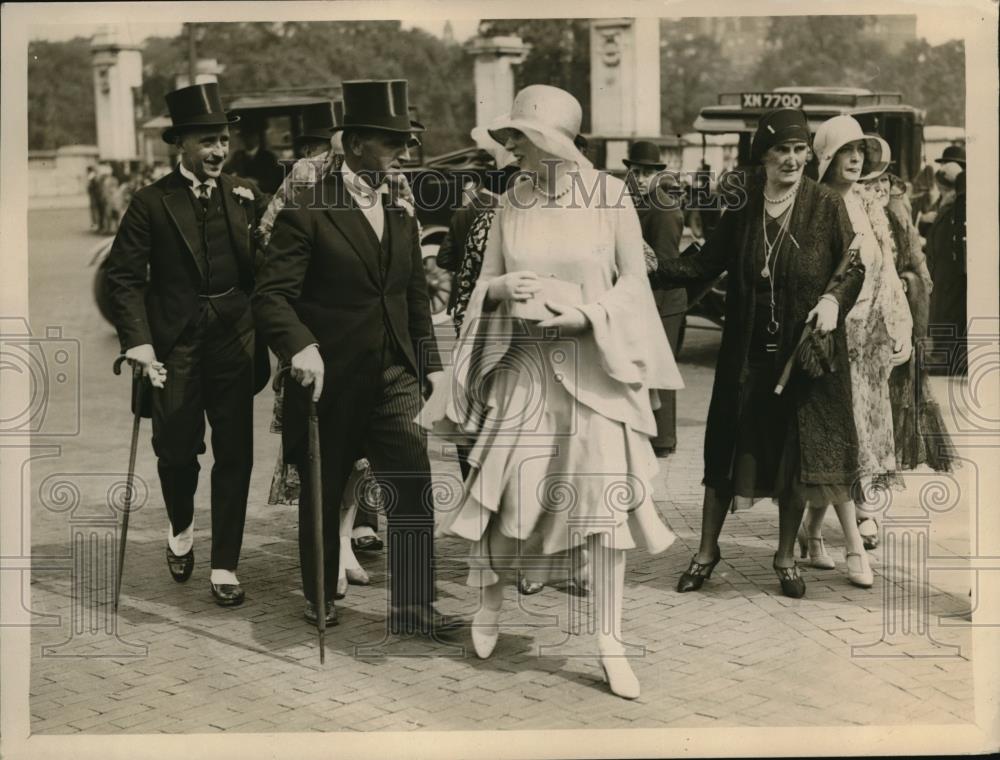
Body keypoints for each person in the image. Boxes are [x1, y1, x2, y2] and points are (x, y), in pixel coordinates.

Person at [425, 85, 683, 700]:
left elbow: (634, 285)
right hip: (523, 370)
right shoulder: (511, 200)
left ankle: (609, 639)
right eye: (508, 137)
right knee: (504, 492)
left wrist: (587, 317)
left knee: (603, 512)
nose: (508, 147)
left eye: (518, 136)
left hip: (596, 372)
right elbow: (483, 282)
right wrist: (501, 288)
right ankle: (488, 604)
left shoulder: (610, 195)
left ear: (550, 140)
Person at [253, 79, 461, 635]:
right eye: (395, 142)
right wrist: (299, 345)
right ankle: (320, 596)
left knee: (412, 483)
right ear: (359, 143)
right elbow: (271, 296)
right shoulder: (308, 208)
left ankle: (414, 606)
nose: (405, 153)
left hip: (394, 373)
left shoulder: (399, 207)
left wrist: (434, 369)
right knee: (324, 492)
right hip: (330, 376)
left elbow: (413, 296)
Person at [657, 108, 865, 600]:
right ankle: (706, 552)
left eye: (798, 150)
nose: (791, 160)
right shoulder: (746, 204)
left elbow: (852, 265)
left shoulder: (824, 205)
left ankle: (786, 557)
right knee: (725, 449)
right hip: (744, 355)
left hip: (799, 355)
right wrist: (652, 266)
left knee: (792, 457)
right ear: (763, 157)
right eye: (781, 152)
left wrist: (835, 300)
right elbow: (705, 263)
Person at [105, 83, 270, 607]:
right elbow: (124, 279)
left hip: (234, 340)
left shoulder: (244, 196)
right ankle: (180, 525)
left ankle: (225, 564)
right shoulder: (150, 202)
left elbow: (278, 253)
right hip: (173, 345)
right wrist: (139, 343)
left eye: (223, 139)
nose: (219, 151)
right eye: (207, 141)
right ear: (181, 145)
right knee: (176, 452)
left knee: (236, 455)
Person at [797, 117, 913, 586]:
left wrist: (899, 325)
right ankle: (843, 533)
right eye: (847, 150)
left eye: (861, 151)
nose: (856, 159)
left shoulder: (868, 204)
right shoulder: (815, 205)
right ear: (827, 156)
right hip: (835, 334)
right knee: (842, 435)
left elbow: (885, 268)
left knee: (864, 436)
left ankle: (813, 530)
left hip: (871, 337)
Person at [624, 140, 687, 457]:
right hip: (650, 299)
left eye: (646, 172)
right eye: (635, 171)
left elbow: (664, 266)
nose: (640, 177)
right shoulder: (639, 202)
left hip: (663, 301)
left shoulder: (661, 209)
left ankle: (663, 440)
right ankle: (654, 435)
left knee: (659, 367)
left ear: (656, 174)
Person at [926, 153, 967, 376]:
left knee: (948, 312)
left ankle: (948, 359)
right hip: (942, 271)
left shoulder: (956, 205)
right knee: (943, 312)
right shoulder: (947, 204)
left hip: (949, 272)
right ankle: (945, 356)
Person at [223, 116, 285, 195]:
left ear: (256, 137)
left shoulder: (268, 157)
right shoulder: (238, 156)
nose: (246, 139)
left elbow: (274, 183)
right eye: (244, 136)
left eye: (249, 136)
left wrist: (257, 183)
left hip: (262, 195)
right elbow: (226, 171)